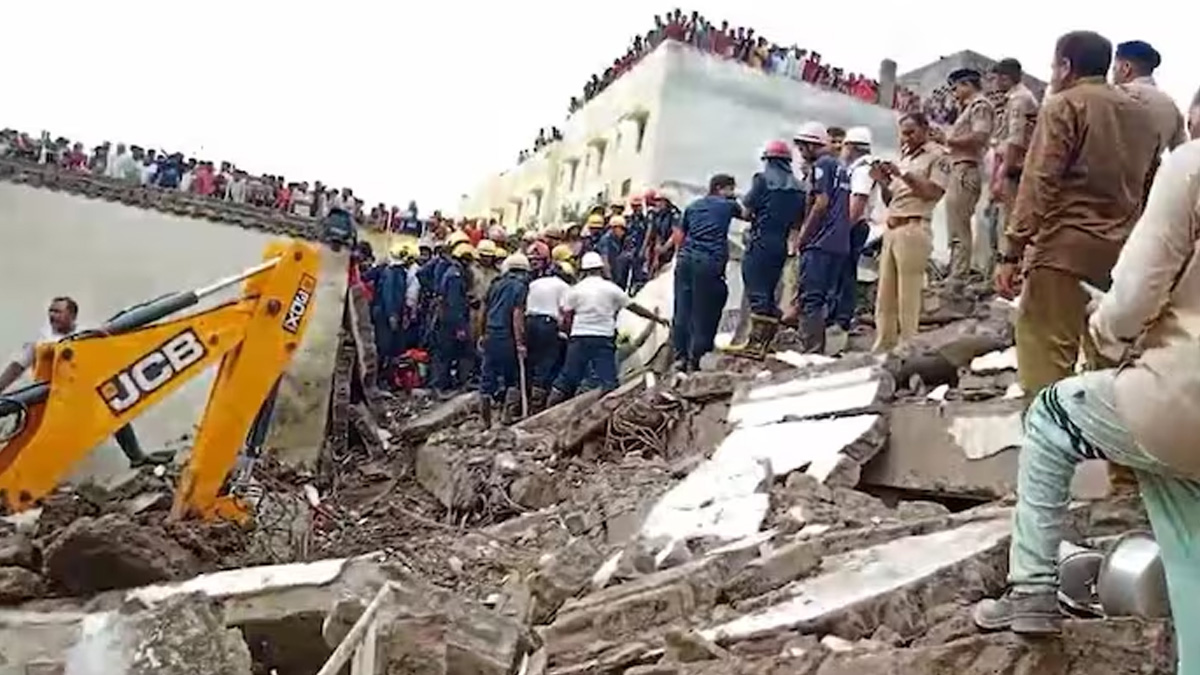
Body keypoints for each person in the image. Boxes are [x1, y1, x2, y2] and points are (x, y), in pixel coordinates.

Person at [974, 129, 1200, 675]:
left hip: (1185, 395)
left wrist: (1103, 332)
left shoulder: (1192, 166)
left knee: (1052, 412)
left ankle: (1030, 589)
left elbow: (1133, 297)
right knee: (1186, 518)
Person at [0, 297, 168, 467]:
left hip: (84, 394)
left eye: (57, 311)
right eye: (50, 311)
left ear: (72, 315)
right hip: (50, 400)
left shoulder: (89, 332)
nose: (52, 315)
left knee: (116, 415)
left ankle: (136, 457)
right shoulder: (39, 341)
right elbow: (16, 367)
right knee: (31, 439)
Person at [871, 113, 950, 353]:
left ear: (925, 129)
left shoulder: (938, 157)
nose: (906, 137)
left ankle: (908, 342)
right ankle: (884, 342)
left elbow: (933, 192)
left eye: (911, 132)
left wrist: (902, 174)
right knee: (886, 293)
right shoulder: (905, 156)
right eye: (903, 132)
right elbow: (893, 199)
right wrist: (884, 181)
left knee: (909, 293)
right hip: (894, 226)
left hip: (914, 226)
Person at [546, 252, 667, 405]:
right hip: (603, 338)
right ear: (601, 269)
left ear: (584, 270)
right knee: (609, 381)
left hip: (579, 338)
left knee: (567, 377)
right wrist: (656, 318)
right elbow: (633, 307)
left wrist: (567, 332)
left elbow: (565, 313)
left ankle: (546, 410)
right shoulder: (611, 288)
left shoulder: (576, 289)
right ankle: (607, 413)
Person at [727, 138, 808, 359]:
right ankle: (766, 342)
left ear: (768, 160)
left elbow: (746, 211)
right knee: (770, 292)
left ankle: (756, 344)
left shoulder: (762, 180)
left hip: (760, 241)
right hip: (781, 244)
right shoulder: (799, 188)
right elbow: (798, 221)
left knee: (756, 290)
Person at [673, 173, 738, 371]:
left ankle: (680, 357)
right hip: (708, 262)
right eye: (730, 189)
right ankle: (697, 358)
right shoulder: (727, 205)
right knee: (706, 310)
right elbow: (749, 215)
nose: (732, 193)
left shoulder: (692, 207)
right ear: (720, 188)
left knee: (683, 309)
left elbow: (680, 235)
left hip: (685, 261)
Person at [794, 124, 850, 354]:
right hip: (839, 242)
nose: (800, 152)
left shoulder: (821, 166)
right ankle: (818, 348)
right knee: (824, 298)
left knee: (811, 299)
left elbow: (821, 202)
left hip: (821, 242)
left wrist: (803, 236)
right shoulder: (840, 167)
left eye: (801, 147)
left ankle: (811, 351)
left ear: (811, 145)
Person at [987, 58, 1040, 282]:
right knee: (1003, 222)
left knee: (1012, 223)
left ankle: (1012, 275)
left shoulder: (1019, 99)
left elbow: (1015, 142)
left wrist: (1001, 175)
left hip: (1016, 170)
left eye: (996, 77)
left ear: (1005, 77)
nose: (994, 82)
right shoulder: (1015, 98)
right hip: (1012, 165)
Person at [942, 68, 995, 283]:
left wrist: (949, 140)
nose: (954, 93)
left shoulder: (979, 106)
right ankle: (956, 269)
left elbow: (980, 136)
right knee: (954, 224)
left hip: (967, 168)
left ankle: (958, 275)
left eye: (956, 88)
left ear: (967, 85)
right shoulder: (968, 108)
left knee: (959, 225)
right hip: (960, 167)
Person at [829, 126, 875, 354]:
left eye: (845, 145)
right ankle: (839, 315)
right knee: (843, 271)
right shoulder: (856, 167)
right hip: (852, 225)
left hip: (853, 226)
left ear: (853, 147)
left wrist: (842, 228)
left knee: (846, 271)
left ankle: (842, 318)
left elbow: (858, 201)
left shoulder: (863, 169)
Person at [480, 253, 531, 426]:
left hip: (491, 332)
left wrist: (481, 333)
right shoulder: (520, 287)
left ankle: (485, 419)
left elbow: (484, 310)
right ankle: (505, 417)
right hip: (507, 335)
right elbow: (517, 315)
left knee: (488, 375)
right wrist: (519, 343)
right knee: (512, 376)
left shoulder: (495, 283)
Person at [1111, 40, 1186, 155]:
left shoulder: (1116, 95)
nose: (1113, 73)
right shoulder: (1170, 105)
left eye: (1114, 68)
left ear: (1126, 68)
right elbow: (1181, 152)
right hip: (1153, 172)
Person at [525, 260, 574, 412]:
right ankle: (537, 405)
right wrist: (567, 331)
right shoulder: (564, 287)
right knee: (547, 361)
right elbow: (565, 311)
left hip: (529, 321)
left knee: (532, 360)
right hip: (547, 324)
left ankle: (525, 397)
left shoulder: (535, 283)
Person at [430, 243, 476, 395]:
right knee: (445, 354)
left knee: (446, 353)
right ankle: (439, 386)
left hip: (447, 319)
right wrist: (460, 328)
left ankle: (445, 384)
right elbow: (454, 304)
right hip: (450, 322)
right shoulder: (455, 277)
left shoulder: (452, 272)